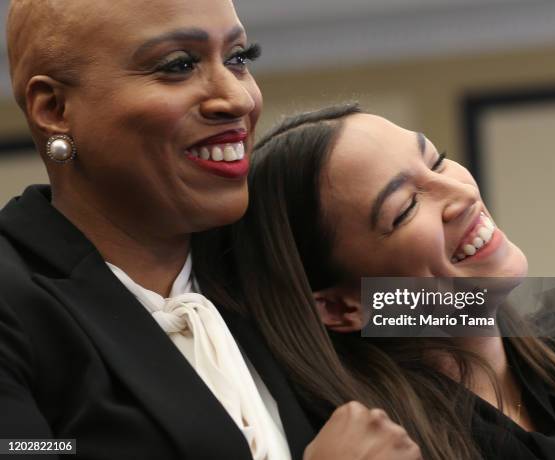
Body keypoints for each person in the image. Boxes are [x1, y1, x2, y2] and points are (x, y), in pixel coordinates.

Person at [0, 2, 422, 459]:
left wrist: (483, 264)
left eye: (239, 58)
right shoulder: (16, 301)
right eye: (179, 65)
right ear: (55, 108)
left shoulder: (270, 243)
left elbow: (472, 312)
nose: (238, 98)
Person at [201, 103, 555, 459]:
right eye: (406, 208)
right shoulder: (381, 448)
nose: (461, 193)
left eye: (436, 161)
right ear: (342, 306)